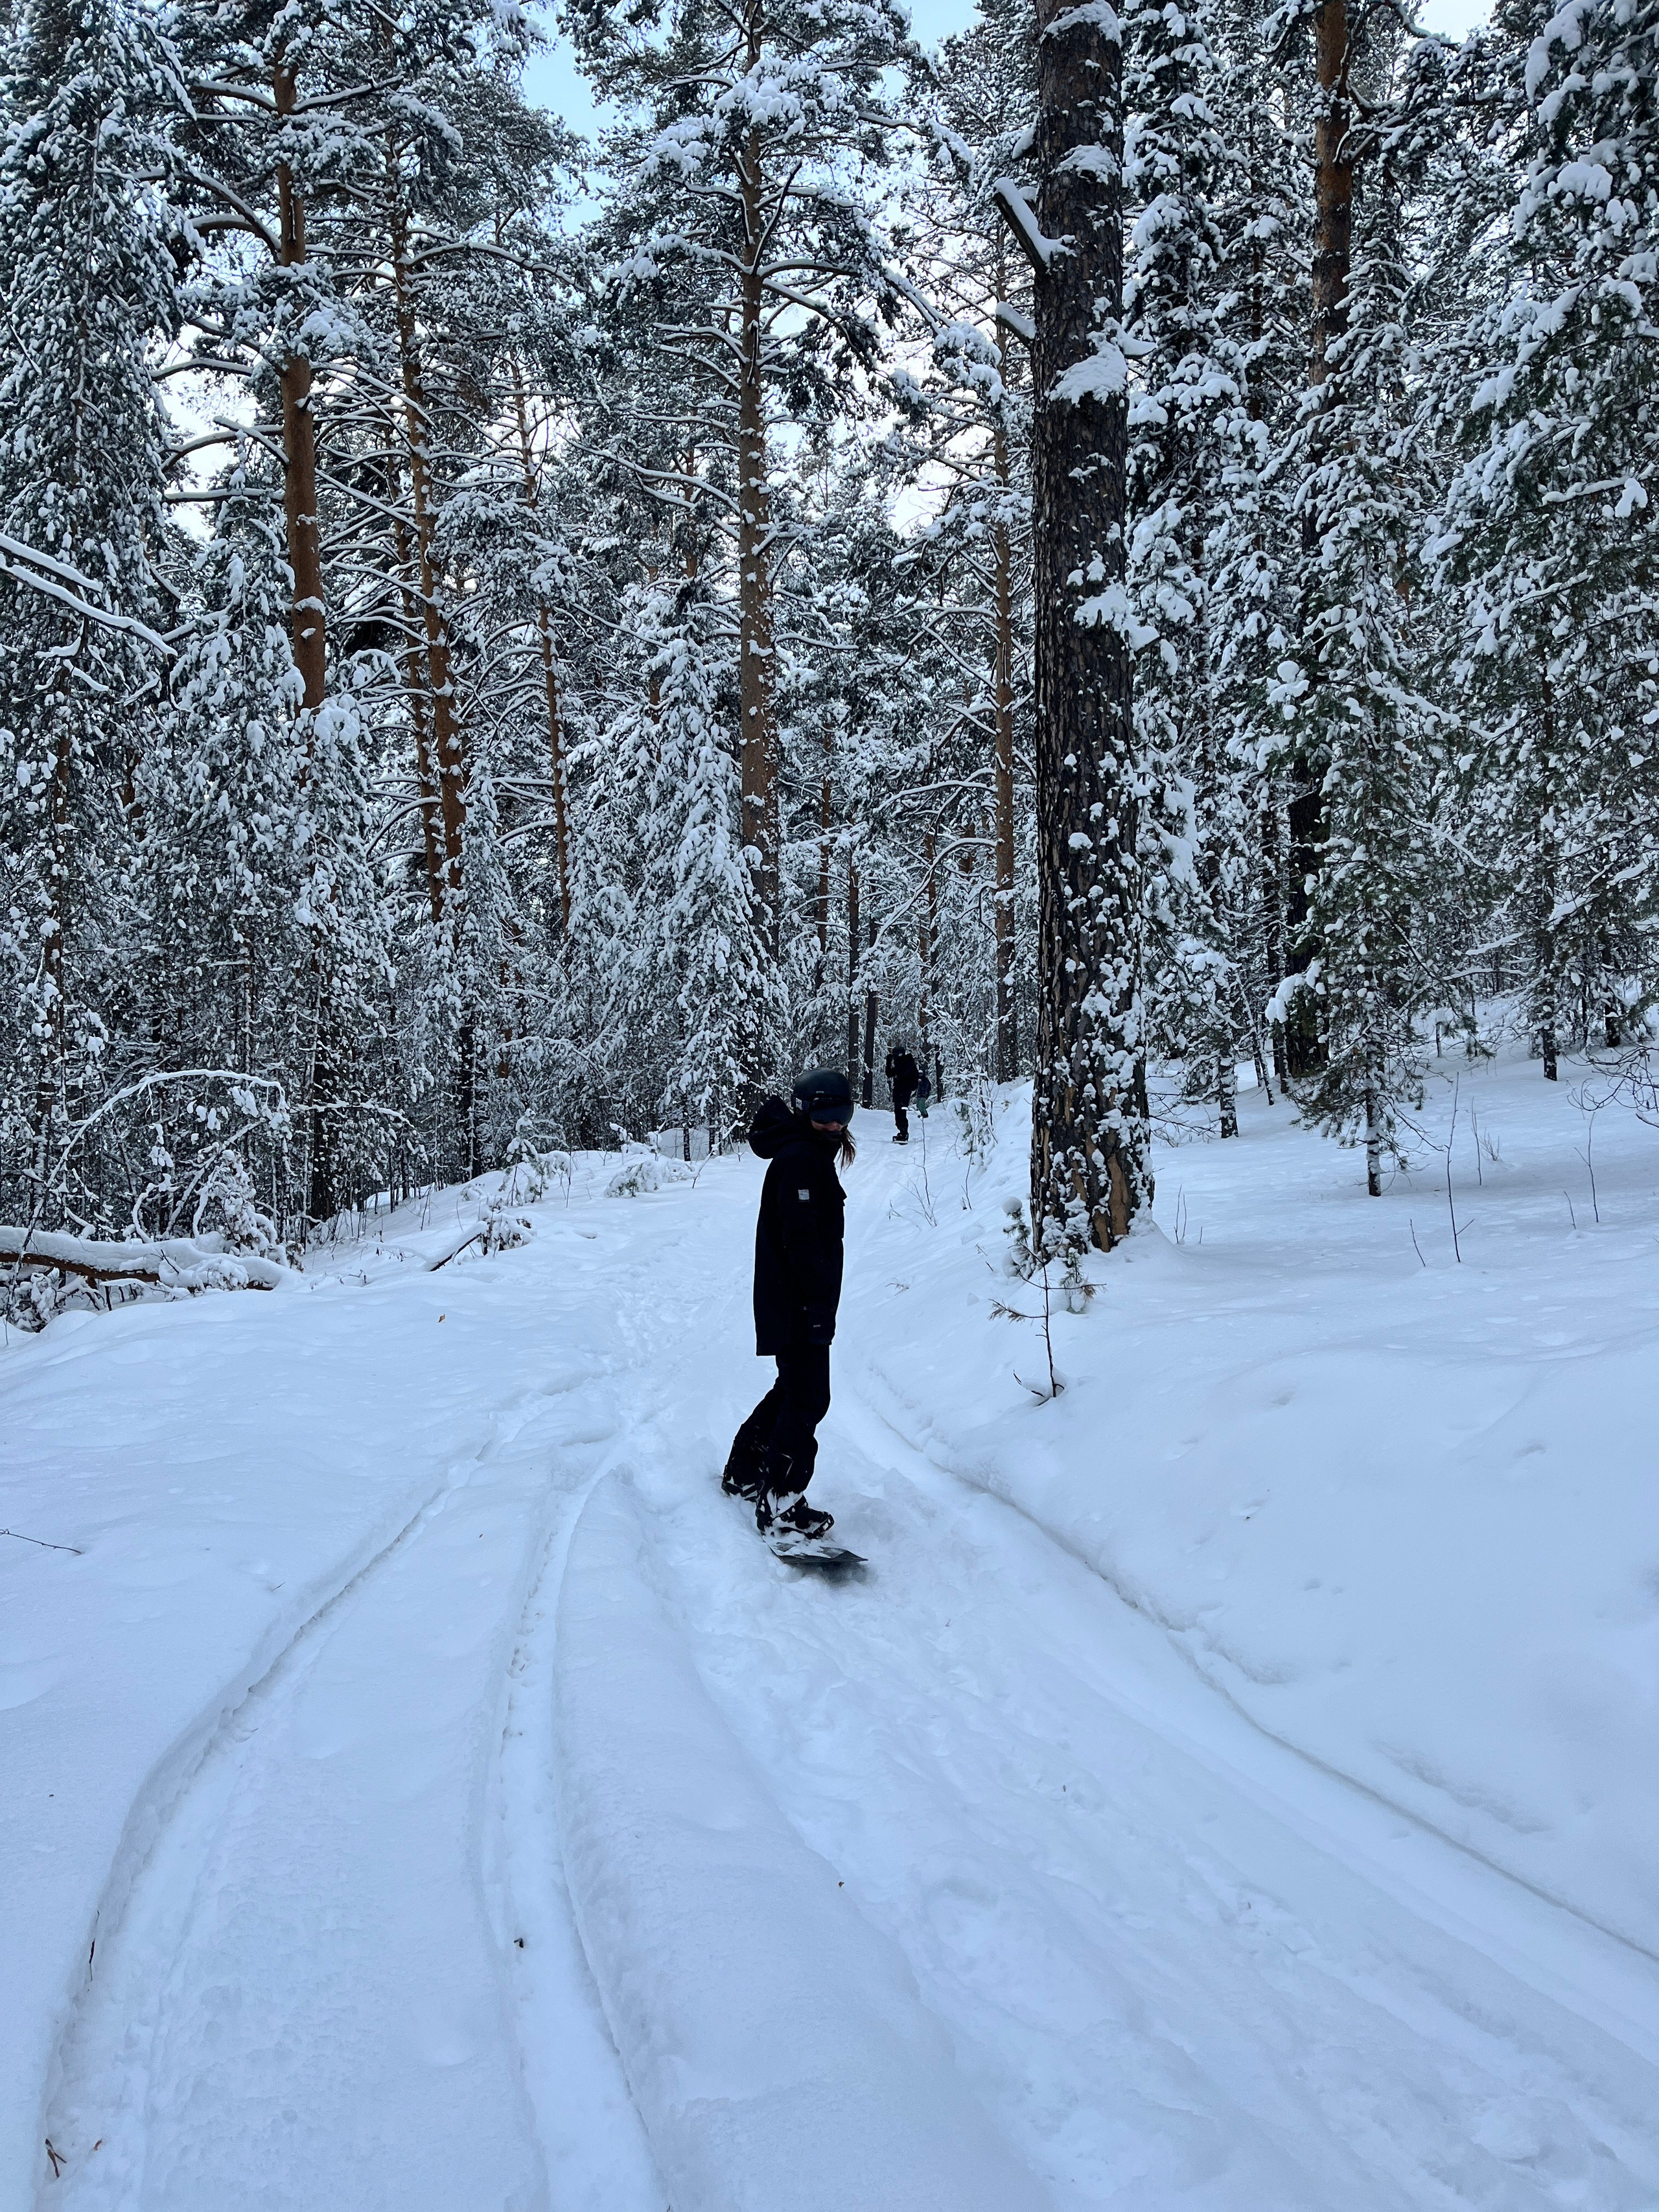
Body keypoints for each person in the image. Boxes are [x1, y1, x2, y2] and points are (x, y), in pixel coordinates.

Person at [721, 1067, 855, 1549]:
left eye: (841, 1114)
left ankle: (745, 1469)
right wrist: (817, 1305)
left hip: (795, 1299)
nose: (834, 1125)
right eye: (823, 1114)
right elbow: (801, 1242)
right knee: (809, 1396)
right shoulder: (800, 1159)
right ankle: (780, 1499)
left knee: (794, 1387)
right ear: (804, 1111)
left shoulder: (807, 1154)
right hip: (797, 1301)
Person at [885, 1038, 919, 1144]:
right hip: (899, 1091)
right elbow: (890, 1073)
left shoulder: (907, 1063)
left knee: (901, 1111)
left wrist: (896, 1063)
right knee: (898, 1112)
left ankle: (904, 1133)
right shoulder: (900, 1063)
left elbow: (904, 1074)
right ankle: (902, 1132)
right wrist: (888, 1062)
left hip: (904, 1092)